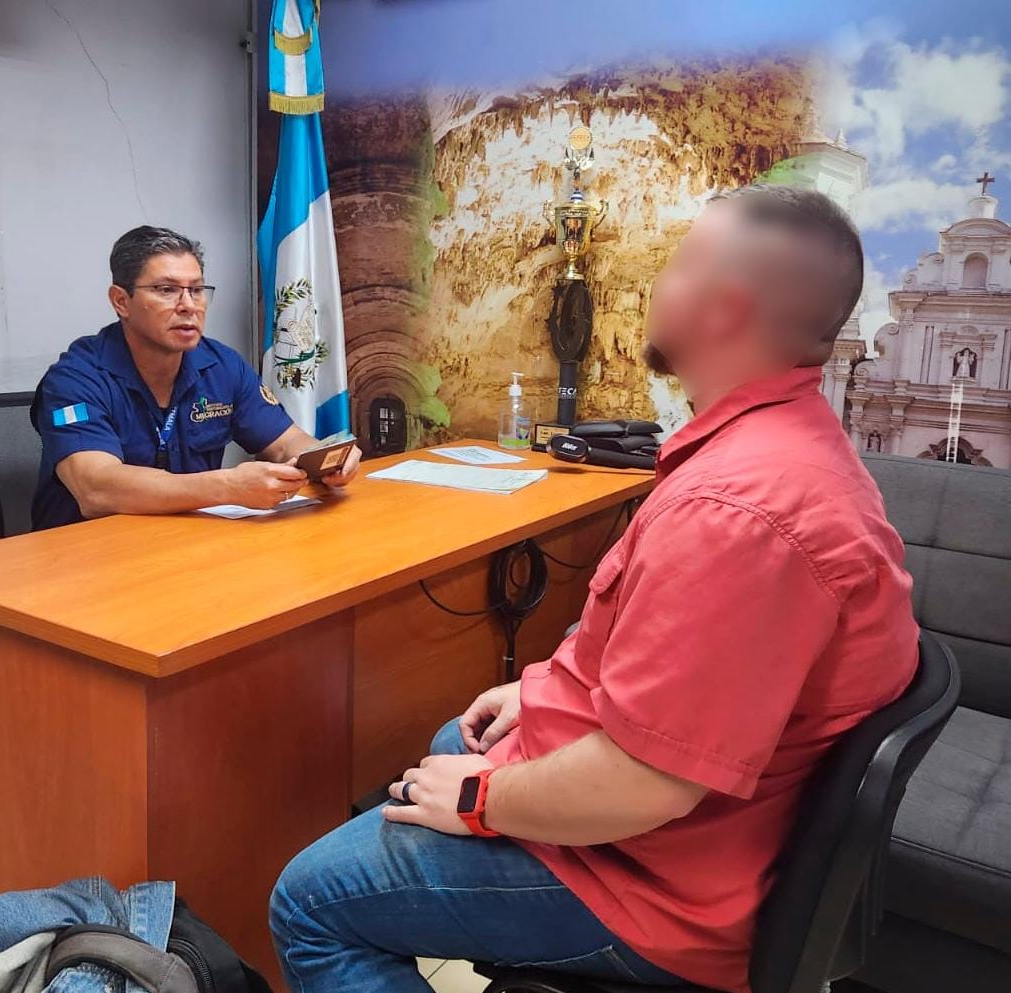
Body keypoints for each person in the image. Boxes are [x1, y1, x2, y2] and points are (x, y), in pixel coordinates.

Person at [269, 186, 919, 993]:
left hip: (654, 885)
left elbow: (643, 783)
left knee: (308, 899)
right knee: (452, 738)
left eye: (679, 264)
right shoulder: (777, 446)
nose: (655, 284)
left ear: (724, 308)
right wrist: (540, 689)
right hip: (684, 830)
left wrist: (482, 798)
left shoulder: (736, 512)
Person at [30, 226, 360, 530]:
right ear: (121, 301)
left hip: (190, 544)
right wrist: (228, 486)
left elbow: (285, 442)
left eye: (197, 290)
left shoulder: (221, 365)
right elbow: (96, 488)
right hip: (89, 558)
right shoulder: (76, 379)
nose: (189, 305)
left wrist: (327, 458)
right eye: (166, 290)